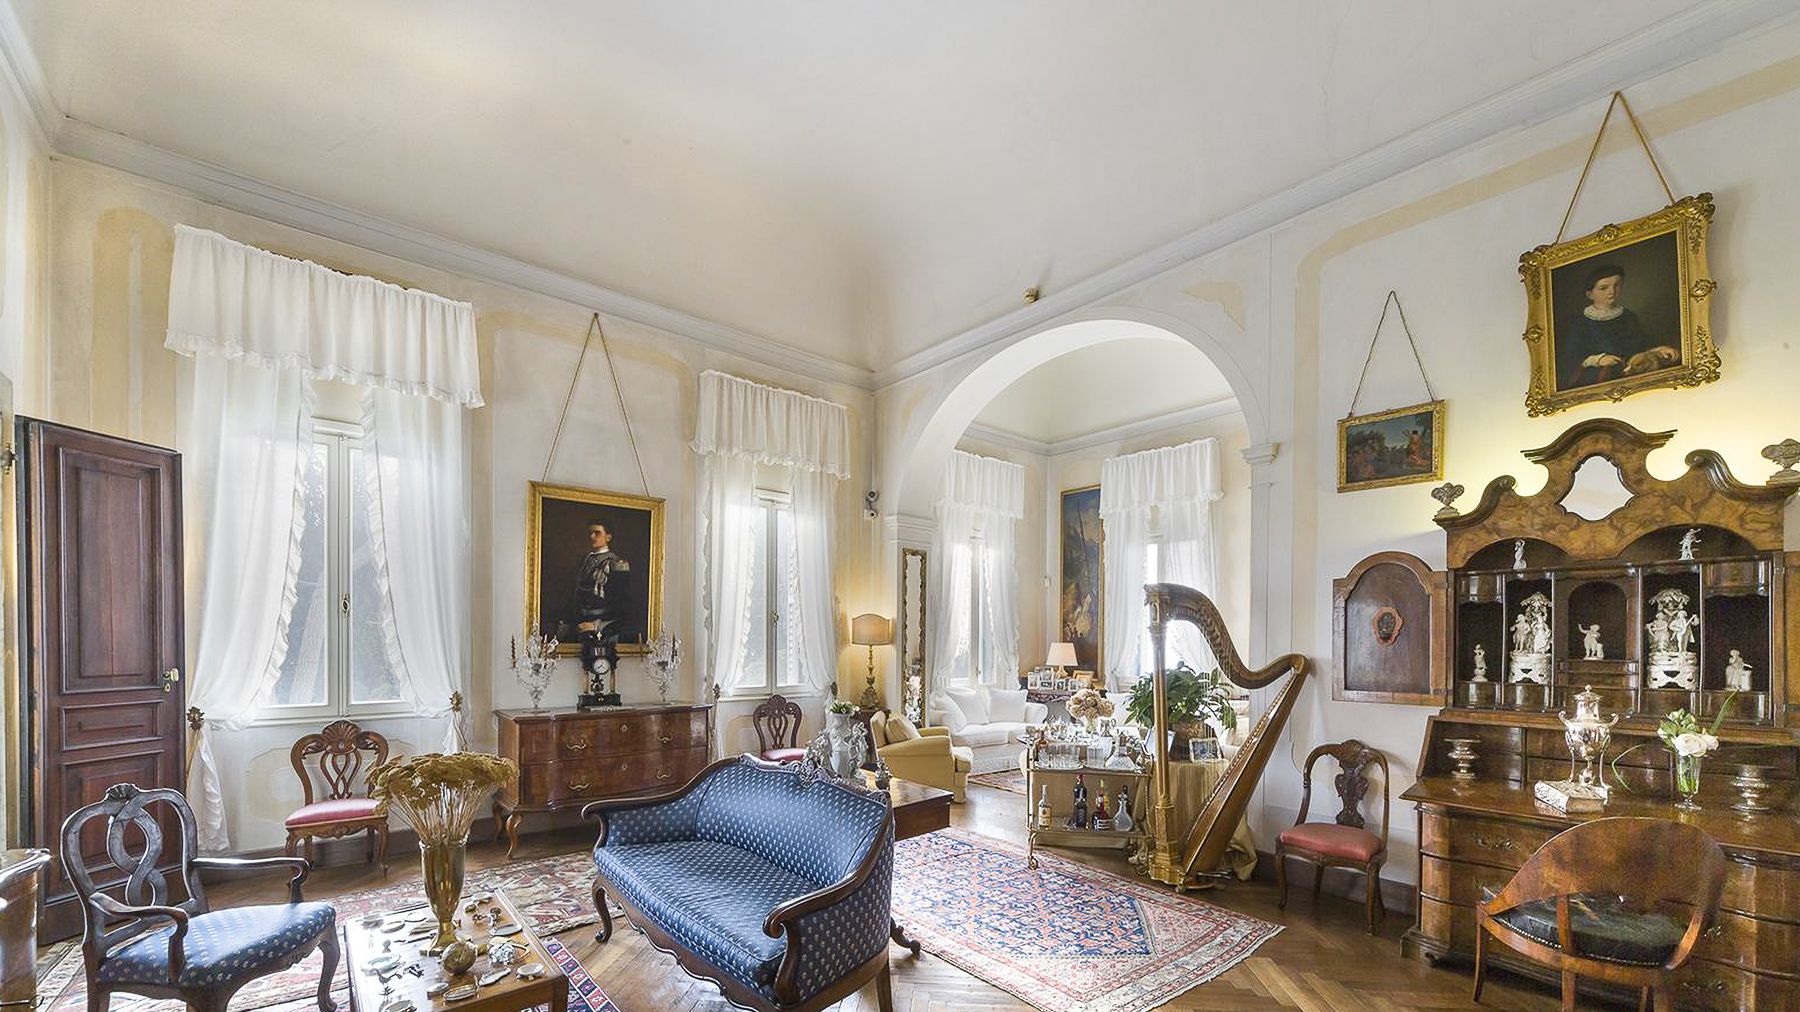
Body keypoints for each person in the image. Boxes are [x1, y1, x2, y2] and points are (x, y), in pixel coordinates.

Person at [1557, 262, 1679, 389]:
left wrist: (1659, 349)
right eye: (1604, 288)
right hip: (1598, 379)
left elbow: (1642, 343)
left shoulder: (1628, 316)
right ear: (1590, 294)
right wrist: (1598, 360)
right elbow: (1570, 357)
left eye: (1616, 285)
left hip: (1630, 375)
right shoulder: (1581, 323)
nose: (1612, 292)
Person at [562, 519, 638, 693]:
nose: (592, 536)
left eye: (597, 533)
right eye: (590, 533)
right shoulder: (585, 560)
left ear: (608, 537)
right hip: (581, 624)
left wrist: (598, 626)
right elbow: (577, 595)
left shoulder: (617, 564)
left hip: (605, 629)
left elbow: (624, 607)